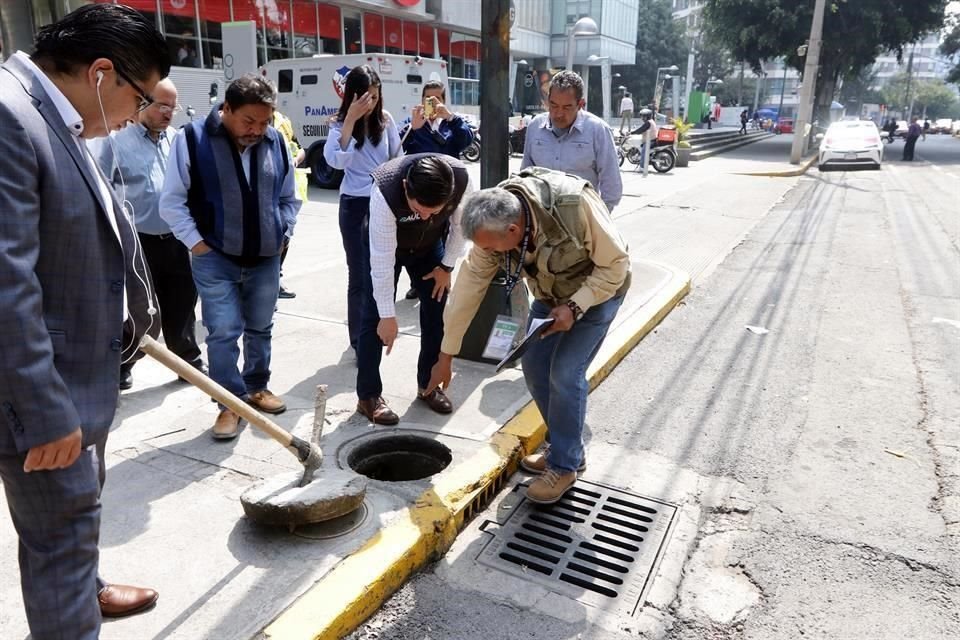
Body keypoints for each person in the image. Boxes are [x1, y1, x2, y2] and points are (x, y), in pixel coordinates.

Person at [0, 5, 168, 638]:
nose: (138, 114)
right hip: (43, 392)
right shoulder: (10, 116)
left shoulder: (52, 117)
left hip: (79, 376)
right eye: (141, 96)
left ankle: (85, 587)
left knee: (73, 523)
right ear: (103, 73)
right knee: (60, 534)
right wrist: (43, 410)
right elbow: (5, 282)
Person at [425, 169, 630, 504]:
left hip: (599, 292)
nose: (488, 253)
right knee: (534, 366)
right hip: (550, 296)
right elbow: (466, 291)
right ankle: (564, 446)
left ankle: (565, 465)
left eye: (492, 247)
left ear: (513, 230)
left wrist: (576, 307)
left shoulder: (573, 203)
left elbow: (616, 265)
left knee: (565, 372)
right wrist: (445, 356)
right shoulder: (492, 229)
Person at [160, 74, 301, 439]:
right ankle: (229, 404)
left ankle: (257, 386)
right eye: (248, 121)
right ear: (226, 109)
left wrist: (284, 230)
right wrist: (197, 243)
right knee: (222, 332)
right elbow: (172, 201)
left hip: (266, 257)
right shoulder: (192, 140)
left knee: (261, 327)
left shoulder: (276, 143)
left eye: (264, 122)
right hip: (215, 257)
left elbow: (289, 196)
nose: (257, 130)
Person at [92, 78, 206, 390]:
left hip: (175, 237)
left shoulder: (177, 140)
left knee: (182, 302)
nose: (169, 112)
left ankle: (188, 362)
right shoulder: (115, 141)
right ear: (143, 103)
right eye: (162, 105)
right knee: (138, 309)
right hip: (137, 241)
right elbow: (100, 187)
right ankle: (123, 363)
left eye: (173, 105)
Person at [356, 154, 471, 424]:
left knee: (437, 311)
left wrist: (446, 267)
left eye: (434, 212)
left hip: (429, 247)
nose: (425, 216)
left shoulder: (461, 179)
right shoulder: (385, 191)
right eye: (419, 210)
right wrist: (387, 315)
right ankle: (368, 396)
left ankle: (428, 386)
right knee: (374, 317)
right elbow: (382, 263)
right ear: (406, 186)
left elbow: (460, 228)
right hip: (387, 248)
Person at [324, 65, 403, 353]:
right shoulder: (338, 123)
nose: (370, 102)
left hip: (382, 199)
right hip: (355, 204)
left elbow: (397, 157)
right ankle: (358, 340)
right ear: (352, 96)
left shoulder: (386, 119)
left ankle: (377, 327)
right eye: (364, 97)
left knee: (383, 268)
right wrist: (350, 122)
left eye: (375, 96)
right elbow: (335, 161)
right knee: (358, 273)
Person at [399, 80, 473, 300]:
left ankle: (443, 272)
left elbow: (466, 140)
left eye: (437, 98)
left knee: (449, 233)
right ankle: (417, 281)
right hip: (422, 191)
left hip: (447, 190)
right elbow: (400, 148)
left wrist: (449, 116)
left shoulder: (451, 123)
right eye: (427, 98)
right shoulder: (414, 123)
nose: (432, 102)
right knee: (420, 236)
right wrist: (414, 126)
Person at [521, 70, 622, 212]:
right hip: (541, 219)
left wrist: (598, 221)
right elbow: (525, 175)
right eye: (554, 105)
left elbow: (612, 185)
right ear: (547, 100)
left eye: (567, 107)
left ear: (581, 104)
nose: (558, 113)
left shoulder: (597, 130)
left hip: (582, 219)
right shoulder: (535, 127)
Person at [273, 109, 307, 299]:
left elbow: (300, 147)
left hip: (285, 186)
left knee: (284, 237)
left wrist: (294, 159)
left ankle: (276, 279)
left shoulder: (283, 121)